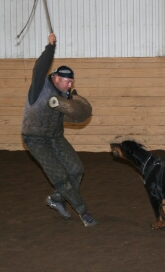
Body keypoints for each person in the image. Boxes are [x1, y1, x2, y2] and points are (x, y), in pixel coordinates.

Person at [22, 33, 96, 227]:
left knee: (76, 169)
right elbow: (40, 67)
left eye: (72, 82)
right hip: (34, 139)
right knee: (60, 176)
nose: (70, 85)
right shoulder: (40, 86)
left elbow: (77, 115)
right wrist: (50, 47)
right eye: (66, 81)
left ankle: (56, 199)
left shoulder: (65, 95)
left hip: (55, 137)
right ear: (55, 78)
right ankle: (83, 212)